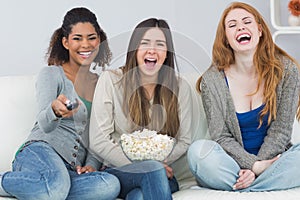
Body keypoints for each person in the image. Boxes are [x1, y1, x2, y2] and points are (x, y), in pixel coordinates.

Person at [0, 7, 120, 199]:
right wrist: (55, 111)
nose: (85, 45)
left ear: (99, 40)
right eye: (77, 38)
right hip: (40, 152)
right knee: (56, 186)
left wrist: (92, 165)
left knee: (109, 185)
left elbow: (99, 134)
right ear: (65, 42)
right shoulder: (52, 74)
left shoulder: (102, 84)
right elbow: (44, 123)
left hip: (70, 170)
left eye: (91, 37)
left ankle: (46, 188)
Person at [187, 1, 300, 192]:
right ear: (226, 39)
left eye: (247, 21)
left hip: (274, 162)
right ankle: (264, 183)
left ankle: (246, 186)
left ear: (260, 30)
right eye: (232, 25)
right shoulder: (212, 80)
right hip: (230, 166)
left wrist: (261, 167)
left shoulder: (287, 71)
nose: (241, 27)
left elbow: (281, 131)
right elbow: (221, 137)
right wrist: (255, 166)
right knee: (198, 152)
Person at [89, 18, 193, 199]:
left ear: (167, 52)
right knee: (151, 171)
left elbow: (185, 140)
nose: (152, 50)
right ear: (134, 49)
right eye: (145, 43)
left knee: (138, 196)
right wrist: (146, 165)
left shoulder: (180, 87)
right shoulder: (111, 81)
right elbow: (98, 140)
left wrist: (158, 164)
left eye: (160, 44)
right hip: (119, 171)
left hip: (162, 174)